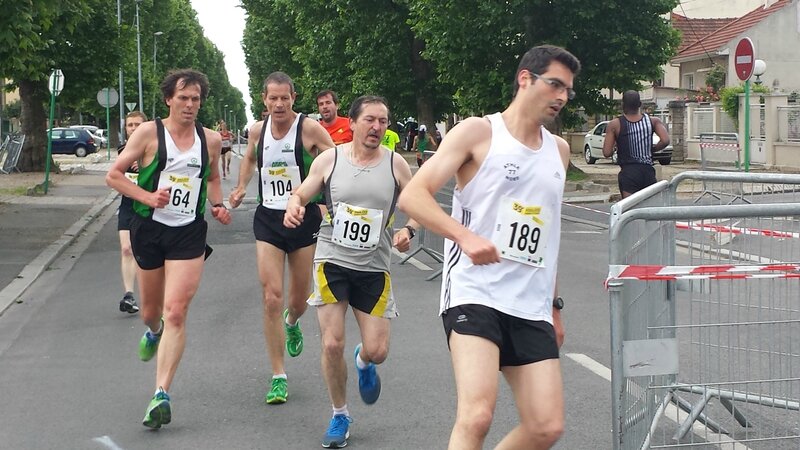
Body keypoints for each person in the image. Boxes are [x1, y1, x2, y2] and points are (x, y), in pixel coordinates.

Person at [398, 44, 580, 449]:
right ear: (525, 79)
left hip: (530, 303)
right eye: (554, 85)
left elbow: (548, 235)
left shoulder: (560, 152)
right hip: (474, 292)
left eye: (568, 90)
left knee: (545, 426)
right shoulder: (479, 132)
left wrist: (554, 307)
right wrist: (464, 236)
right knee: (477, 415)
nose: (563, 97)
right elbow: (414, 195)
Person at [284, 95, 419, 449]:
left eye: (384, 122)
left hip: (375, 266)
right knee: (331, 343)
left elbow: (417, 203)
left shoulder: (395, 164)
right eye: (370, 120)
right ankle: (339, 414)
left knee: (378, 351)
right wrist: (294, 206)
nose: (377, 127)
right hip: (331, 259)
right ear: (354, 123)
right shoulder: (330, 160)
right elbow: (301, 193)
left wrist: (409, 230)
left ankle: (363, 361)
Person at [106, 68, 232, 429]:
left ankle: (161, 394)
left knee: (176, 311)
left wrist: (218, 205)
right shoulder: (148, 133)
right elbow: (113, 175)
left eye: (195, 99)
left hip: (188, 233)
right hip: (148, 228)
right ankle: (153, 330)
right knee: (151, 312)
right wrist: (147, 196)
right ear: (168, 99)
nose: (190, 105)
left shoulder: (208, 139)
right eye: (183, 98)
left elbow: (211, 177)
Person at [229, 72, 335, 405]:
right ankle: (278, 375)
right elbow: (248, 158)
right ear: (264, 100)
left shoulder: (309, 129)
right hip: (269, 219)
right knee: (271, 296)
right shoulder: (257, 132)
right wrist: (242, 186)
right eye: (272, 98)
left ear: (294, 98)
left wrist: (323, 200)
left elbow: (335, 162)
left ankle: (292, 322)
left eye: (284, 98)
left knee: (298, 298)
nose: (278, 104)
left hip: (303, 218)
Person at [602, 90, 670, 198]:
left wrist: (618, 145)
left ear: (622, 105)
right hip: (648, 171)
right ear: (640, 104)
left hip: (628, 172)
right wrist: (651, 149)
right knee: (649, 208)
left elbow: (606, 152)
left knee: (630, 209)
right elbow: (665, 140)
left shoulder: (615, 124)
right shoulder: (653, 121)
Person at [116, 110, 147, 314]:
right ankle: (129, 295)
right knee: (127, 249)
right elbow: (115, 177)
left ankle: (153, 295)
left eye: (137, 125)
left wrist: (145, 166)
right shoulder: (122, 151)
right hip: (128, 205)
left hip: (147, 206)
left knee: (145, 253)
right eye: (130, 125)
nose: (134, 129)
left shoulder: (155, 149)